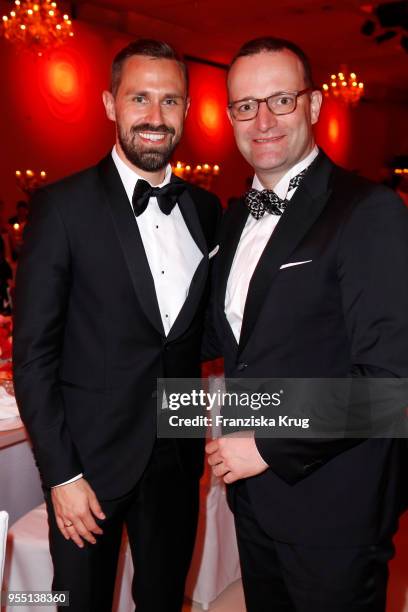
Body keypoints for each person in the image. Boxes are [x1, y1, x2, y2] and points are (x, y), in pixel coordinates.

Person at [13, 38, 220, 612]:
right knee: (77, 602)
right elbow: (33, 358)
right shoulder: (62, 207)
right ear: (109, 104)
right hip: (89, 464)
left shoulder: (205, 210)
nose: (155, 117)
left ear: (185, 109)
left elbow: (197, 333)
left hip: (177, 457)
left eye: (171, 101)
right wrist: (61, 476)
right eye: (139, 99)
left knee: (162, 598)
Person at [205, 37, 408, 612]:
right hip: (256, 498)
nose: (263, 120)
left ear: (315, 105)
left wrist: (266, 444)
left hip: (335, 501)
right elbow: (233, 341)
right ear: (230, 116)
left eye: (281, 101)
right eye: (246, 105)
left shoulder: (368, 211)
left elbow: (388, 383)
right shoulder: (235, 216)